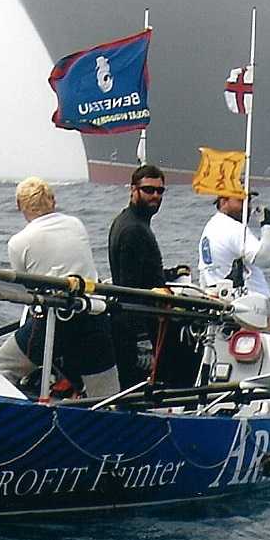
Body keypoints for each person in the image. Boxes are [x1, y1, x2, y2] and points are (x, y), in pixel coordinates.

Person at [0, 177, 119, 398]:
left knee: (2, 366)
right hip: (93, 314)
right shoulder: (76, 224)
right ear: (53, 200)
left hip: (54, 322)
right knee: (106, 394)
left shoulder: (18, 242)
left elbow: (26, 286)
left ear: (19, 206)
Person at [107, 164, 196, 388]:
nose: (155, 195)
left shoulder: (128, 221)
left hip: (139, 319)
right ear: (133, 190)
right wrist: (144, 344)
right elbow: (130, 289)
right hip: (139, 325)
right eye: (148, 190)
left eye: (160, 191)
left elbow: (140, 273)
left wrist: (170, 274)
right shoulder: (133, 230)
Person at [197, 193, 270, 297]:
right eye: (241, 201)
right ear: (224, 202)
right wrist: (267, 225)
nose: (247, 207)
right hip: (249, 299)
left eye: (248, 201)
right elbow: (265, 259)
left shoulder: (209, 228)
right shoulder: (234, 228)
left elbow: (204, 272)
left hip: (221, 298)